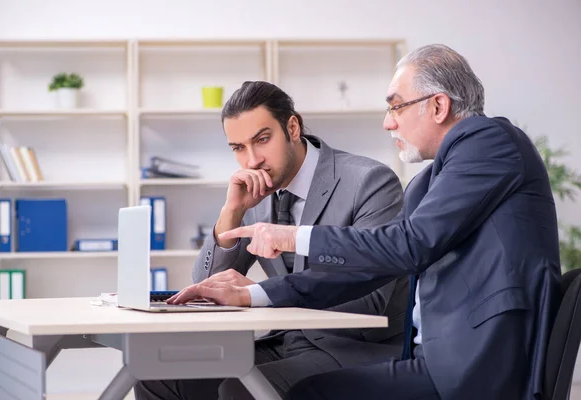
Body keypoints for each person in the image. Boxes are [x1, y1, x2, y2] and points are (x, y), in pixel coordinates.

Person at [170, 44, 562, 400]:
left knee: (300, 393)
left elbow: (408, 244)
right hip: (438, 358)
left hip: (477, 366)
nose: (388, 123)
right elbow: (372, 267)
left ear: (439, 106)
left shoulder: (488, 140)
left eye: (396, 106)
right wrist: (253, 295)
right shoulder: (429, 180)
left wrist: (291, 237)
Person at [135, 81, 410, 400]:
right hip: (285, 342)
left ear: (292, 127)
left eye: (262, 140)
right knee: (158, 379)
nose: (252, 161)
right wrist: (232, 211)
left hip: (356, 349)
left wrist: (255, 294)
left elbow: (370, 299)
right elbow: (208, 284)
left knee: (240, 390)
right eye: (238, 148)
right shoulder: (256, 195)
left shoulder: (369, 182)